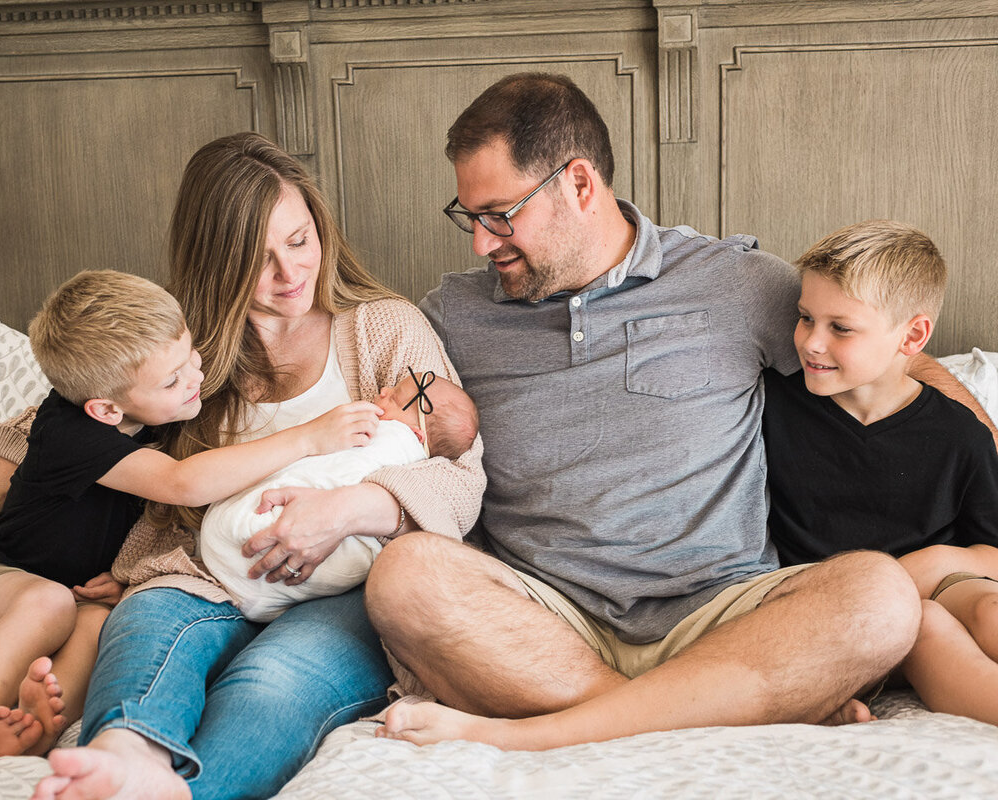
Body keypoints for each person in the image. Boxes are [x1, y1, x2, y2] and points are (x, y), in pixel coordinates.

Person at [365, 72, 997, 750]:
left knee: (881, 595)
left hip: (724, 615)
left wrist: (985, 441)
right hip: (546, 624)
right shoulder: (452, 315)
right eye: (469, 217)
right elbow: (390, 419)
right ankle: (714, 705)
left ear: (578, 184)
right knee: (404, 576)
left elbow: (882, 353)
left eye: (499, 214)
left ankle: (566, 728)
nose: (481, 243)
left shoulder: (734, 282)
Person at [0, 132, 485, 799]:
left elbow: (460, 473)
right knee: (141, 634)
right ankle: (124, 756)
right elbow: (37, 435)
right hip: (200, 571)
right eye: (258, 259)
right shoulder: (184, 347)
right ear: (217, 263)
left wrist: (346, 510)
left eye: (299, 240)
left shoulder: (385, 329)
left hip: (344, 587)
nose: (290, 273)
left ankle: (185, 793)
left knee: (272, 681)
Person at [0, 269, 382, 761]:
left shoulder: (159, 409)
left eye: (191, 356)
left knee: (100, 629)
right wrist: (309, 437)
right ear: (105, 410)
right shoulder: (69, 431)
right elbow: (182, 484)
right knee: (48, 603)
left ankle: (31, 734)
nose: (195, 379)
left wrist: (127, 575)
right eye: (172, 380)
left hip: (84, 595)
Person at [761, 220, 998, 723]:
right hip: (832, 610)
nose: (811, 342)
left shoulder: (960, 435)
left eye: (840, 328)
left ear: (912, 335)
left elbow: (993, 554)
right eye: (806, 318)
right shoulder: (771, 408)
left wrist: (931, 562)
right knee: (926, 627)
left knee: (985, 610)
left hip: (934, 585)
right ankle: (818, 691)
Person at [201, 369, 478, 622]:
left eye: (393, 398)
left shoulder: (395, 439)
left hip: (345, 582)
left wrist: (346, 510)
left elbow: (463, 488)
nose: (383, 390)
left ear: (416, 435)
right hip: (254, 593)